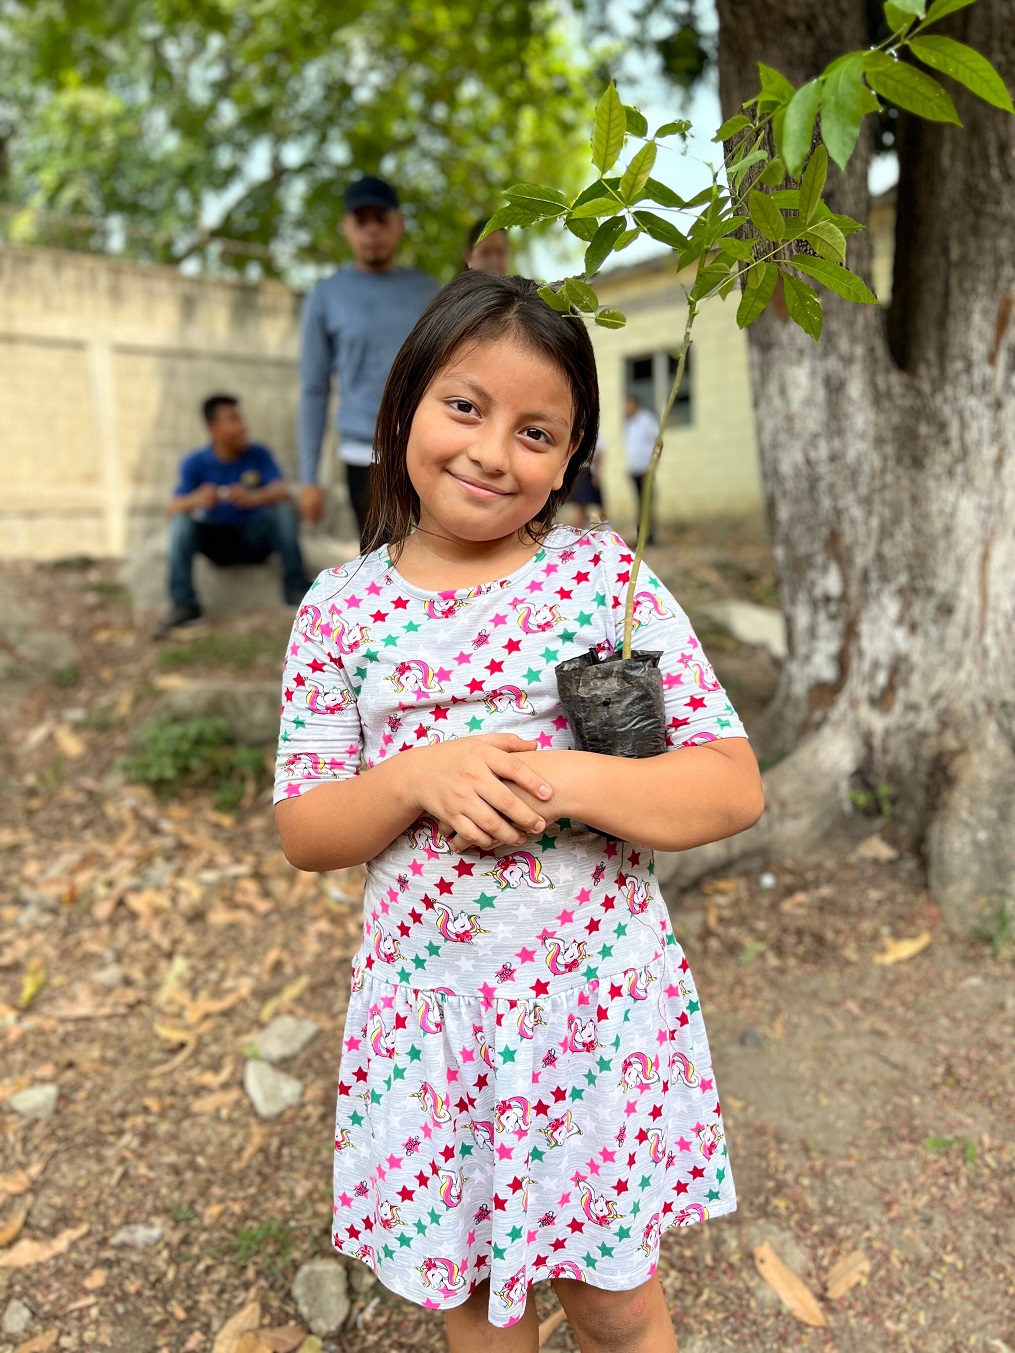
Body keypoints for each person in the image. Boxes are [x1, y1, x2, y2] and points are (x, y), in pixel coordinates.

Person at [274, 271, 763, 1352]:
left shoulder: (605, 583)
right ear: (400, 407)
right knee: (479, 1312)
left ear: (571, 457)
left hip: (591, 1018)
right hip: (429, 1034)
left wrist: (553, 781)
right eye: (464, 408)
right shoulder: (341, 612)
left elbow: (729, 785)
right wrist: (414, 777)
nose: (493, 452)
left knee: (616, 1308)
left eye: (536, 431)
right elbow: (307, 830)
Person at [298, 175, 439, 545]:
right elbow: (314, 389)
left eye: (382, 218)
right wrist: (308, 478)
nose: (372, 229)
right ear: (346, 228)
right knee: (382, 558)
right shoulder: (327, 297)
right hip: (365, 453)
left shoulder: (429, 293)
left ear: (400, 223)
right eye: (362, 220)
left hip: (429, 445)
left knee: (443, 556)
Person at [156, 395, 310, 636]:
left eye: (241, 418)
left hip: (254, 538)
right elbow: (171, 508)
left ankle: (296, 590)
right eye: (233, 420)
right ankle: (185, 604)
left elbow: (282, 491)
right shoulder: (195, 463)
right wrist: (197, 499)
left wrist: (253, 497)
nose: (243, 426)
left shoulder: (258, 454)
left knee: (282, 510)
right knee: (181, 521)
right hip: (216, 540)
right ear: (213, 428)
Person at [624, 393, 660, 546]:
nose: (625, 408)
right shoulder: (628, 424)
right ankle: (641, 538)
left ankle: (650, 537)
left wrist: (655, 465)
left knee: (647, 503)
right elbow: (632, 448)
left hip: (646, 469)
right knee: (639, 504)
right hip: (635, 470)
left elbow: (659, 442)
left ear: (635, 404)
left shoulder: (647, 419)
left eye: (628, 404)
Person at [561, 432, 606, 528]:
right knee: (582, 506)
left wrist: (597, 472)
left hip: (588, 473)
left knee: (592, 506)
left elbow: (599, 454)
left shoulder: (594, 436)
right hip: (581, 473)